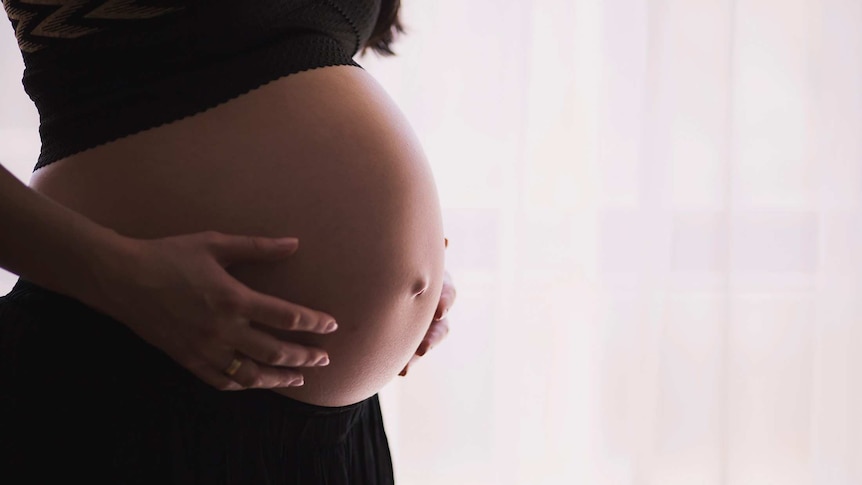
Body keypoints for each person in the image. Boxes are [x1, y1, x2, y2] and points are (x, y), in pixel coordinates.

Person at [0, 0, 457, 483]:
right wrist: (124, 278)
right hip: (118, 375)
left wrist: (404, 265)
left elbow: (295, 53)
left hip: (338, 434)